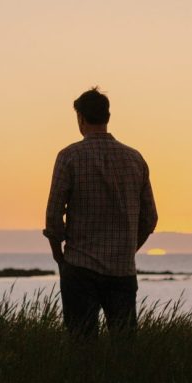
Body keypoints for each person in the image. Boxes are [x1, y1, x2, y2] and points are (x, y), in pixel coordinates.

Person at [44, 88, 158, 337]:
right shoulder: (135, 159)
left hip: (79, 267)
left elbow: (53, 216)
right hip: (122, 270)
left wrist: (59, 258)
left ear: (81, 119)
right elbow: (150, 218)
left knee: (81, 348)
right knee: (124, 348)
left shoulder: (69, 156)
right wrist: (128, 249)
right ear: (107, 116)